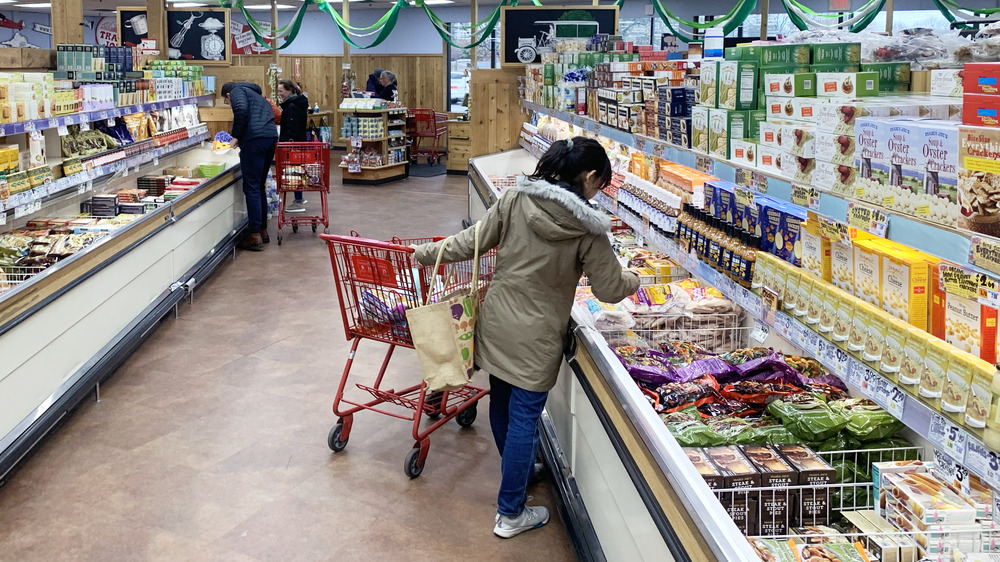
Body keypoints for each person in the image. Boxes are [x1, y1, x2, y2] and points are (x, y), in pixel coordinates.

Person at [412, 137, 639, 539]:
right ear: (588, 177)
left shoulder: (516, 199)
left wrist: (427, 253)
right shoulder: (588, 229)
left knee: (501, 404)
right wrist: (634, 278)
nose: (598, 192)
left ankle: (516, 472)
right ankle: (510, 512)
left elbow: (472, 241)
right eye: (600, 184)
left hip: (497, 322)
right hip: (538, 338)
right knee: (524, 421)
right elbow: (608, 288)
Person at [222, 81, 278, 251]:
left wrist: (235, 137)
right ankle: (262, 229)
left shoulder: (237, 90)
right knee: (259, 185)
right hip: (269, 137)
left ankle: (253, 234)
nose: (228, 104)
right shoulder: (257, 95)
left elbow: (241, 111)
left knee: (252, 186)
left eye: (226, 101)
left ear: (228, 95)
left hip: (255, 140)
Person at [277, 79, 309, 213]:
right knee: (298, 171)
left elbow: (291, 128)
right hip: (299, 142)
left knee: (294, 172)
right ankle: (299, 198)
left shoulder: (291, 107)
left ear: (289, 91)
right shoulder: (298, 103)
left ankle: (298, 201)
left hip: (292, 144)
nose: (279, 94)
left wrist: (285, 142)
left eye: (281, 91)